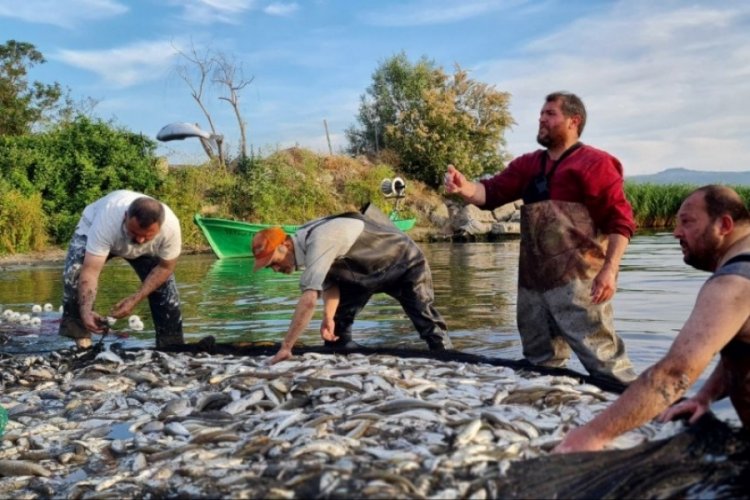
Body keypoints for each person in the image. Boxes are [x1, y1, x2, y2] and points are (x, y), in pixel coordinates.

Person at [444, 91, 636, 384]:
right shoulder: (528, 165)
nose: (541, 119)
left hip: (579, 282)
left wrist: (609, 271)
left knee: (604, 360)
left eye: (550, 114)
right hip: (533, 285)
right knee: (540, 364)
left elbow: (620, 222)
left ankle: (634, 410)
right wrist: (464, 187)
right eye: (541, 114)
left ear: (574, 121)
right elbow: (490, 193)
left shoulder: (595, 163)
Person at [555, 185, 750, 452]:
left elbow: (675, 373)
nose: (676, 232)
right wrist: (706, 396)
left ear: (724, 225)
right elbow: (741, 348)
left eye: (687, 222)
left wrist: (592, 435)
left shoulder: (732, 283)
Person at [252, 206, 453, 364]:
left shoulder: (319, 239)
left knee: (426, 321)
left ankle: (446, 354)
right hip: (362, 274)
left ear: (285, 245)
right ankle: (347, 355)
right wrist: (328, 317)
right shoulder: (306, 243)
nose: (275, 269)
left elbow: (309, 300)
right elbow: (330, 283)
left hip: (403, 263)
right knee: (336, 334)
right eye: (269, 267)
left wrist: (286, 347)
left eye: (274, 262)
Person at [59, 190, 184, 349]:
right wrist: (85, 310)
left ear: (159, 228)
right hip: (99, 234)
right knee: (74, 276)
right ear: (125, 217)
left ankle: (171, 346)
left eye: (147, 235)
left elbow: (165, 268)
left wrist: (134, 299)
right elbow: (90, 271)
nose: (139, 239)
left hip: (148, 251)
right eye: (134, 232)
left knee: (165, 290)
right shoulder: (107, 221)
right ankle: (82, 341)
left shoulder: (171, 228)